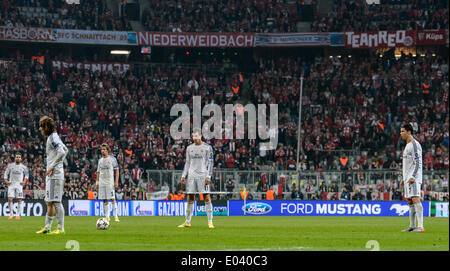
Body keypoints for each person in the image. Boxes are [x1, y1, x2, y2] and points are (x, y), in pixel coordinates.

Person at [36, 116, 68, 235]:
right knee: (49, 202)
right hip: (52, 174)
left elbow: (62, 152)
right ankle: (47, 227)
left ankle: (60, 228)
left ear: (47, 127)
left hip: (55, 174)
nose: (40, 129)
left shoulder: (53, 137)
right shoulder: (53, 137)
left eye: (42, 127)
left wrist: (53, 166)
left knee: (56, 202)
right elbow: (66, 150)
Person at [178, 128, 215, 229]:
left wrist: (208, 176)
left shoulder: (207, 147)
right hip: (191, 176)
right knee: (190, 197)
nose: (194, 138)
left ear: (201, 135)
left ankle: (210, 221)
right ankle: (187, 222)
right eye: (193, 136)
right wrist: (183, 175)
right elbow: (187, 163)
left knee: (206, 197)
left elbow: (211, 163)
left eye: (196, 136)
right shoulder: (189, 148)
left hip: (203, 176)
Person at [400, 123, 425, 232]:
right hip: (407, 178)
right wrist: (404, 178)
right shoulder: (407, 145)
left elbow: (417, 162)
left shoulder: (415, 144)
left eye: (402, 131)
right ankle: (412, 225)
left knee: (415, 198)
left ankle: (420, 226)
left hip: (413, 177)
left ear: (409, 132)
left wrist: (413, 176)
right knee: (410, 200)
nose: (401, 134)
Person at [96, 143, 120, 222]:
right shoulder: (100, 160)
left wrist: (116, 181)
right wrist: (97, 183)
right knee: (104, 199)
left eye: (104, 149)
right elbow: (98, 172)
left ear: (107, 150)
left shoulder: (112, 159)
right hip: (102, 182)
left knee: (112, 198)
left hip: (110, 182)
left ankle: (116, 216)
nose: (102, 151)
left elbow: (117, 170)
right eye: (101, 150)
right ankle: (107, 216)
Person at [4, 153, 29, 220]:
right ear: (15, 158)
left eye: (19, 157)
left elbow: (27, 175)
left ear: (21, 159)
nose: (18, 158)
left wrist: (24, 182)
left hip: (19, 184)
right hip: (11, 184)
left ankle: (18, 215)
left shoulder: (24, 167)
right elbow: (6, 174)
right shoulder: (10, 166)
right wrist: (6, 181)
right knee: (10, 199)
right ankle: (11, 214)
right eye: (17, 157)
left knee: (19, 199)